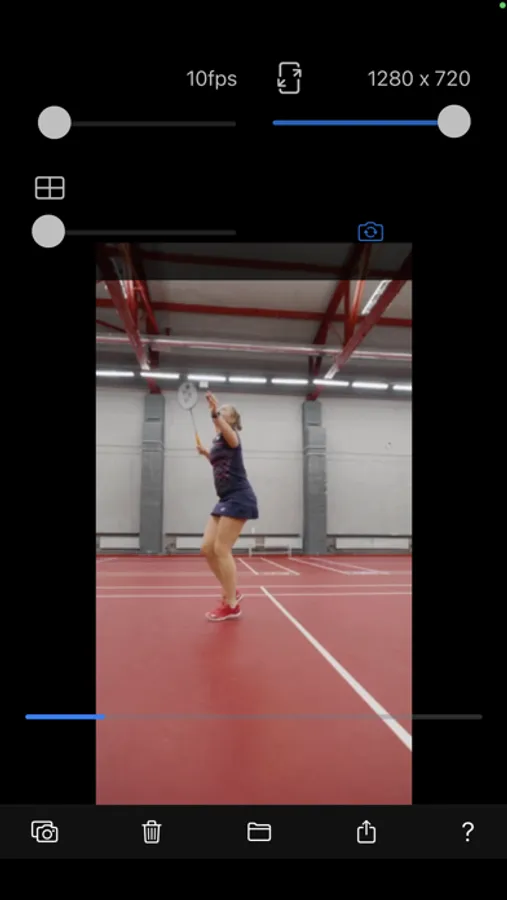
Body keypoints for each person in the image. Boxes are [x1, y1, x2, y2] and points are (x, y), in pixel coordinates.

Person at [197, 392, 259, 621]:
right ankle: (232, 590)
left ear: (231, 419)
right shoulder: (217, 442)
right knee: (207, 548)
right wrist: (207, 454)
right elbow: (219, 465)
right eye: (219, 410)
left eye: (224, 411)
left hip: (239, 496)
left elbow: (228, 435)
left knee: (222, 549)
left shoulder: (231, 436)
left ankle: (231, 604)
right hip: (224, 498)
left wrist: (214, 412)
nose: (220, 412)